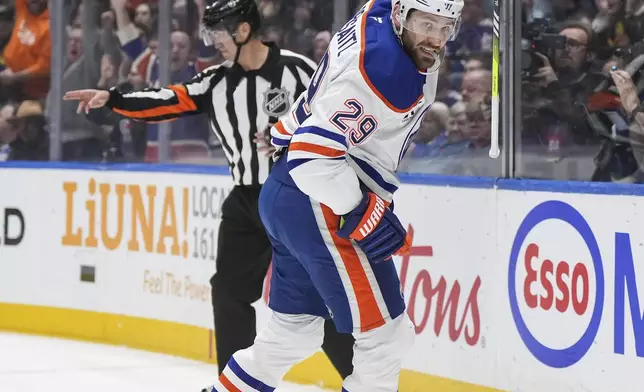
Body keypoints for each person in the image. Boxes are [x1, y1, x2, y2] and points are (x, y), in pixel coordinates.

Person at [62, 0, 355, 383]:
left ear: (243, 30)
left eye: (218, 33)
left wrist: (291, 139)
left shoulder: (298, 70)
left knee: (321, 296)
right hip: (245, 202)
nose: (212, 41)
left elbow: (335, 116)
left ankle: (362, 380)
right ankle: (235, 385)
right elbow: (169, 99)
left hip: (296, 199)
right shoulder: (216, 80)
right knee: (229, 291)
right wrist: (114, 100)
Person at [207, 0, 464, 391]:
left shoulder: (377, 10)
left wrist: (290, 129)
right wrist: (361, 210)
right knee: (387, 336)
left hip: (285, 191)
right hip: (322, 198)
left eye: (447, 27)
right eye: (427, 24)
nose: (436, 38)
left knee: (293, 333)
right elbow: (314, 156)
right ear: (401, 15)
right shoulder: (386, 74)